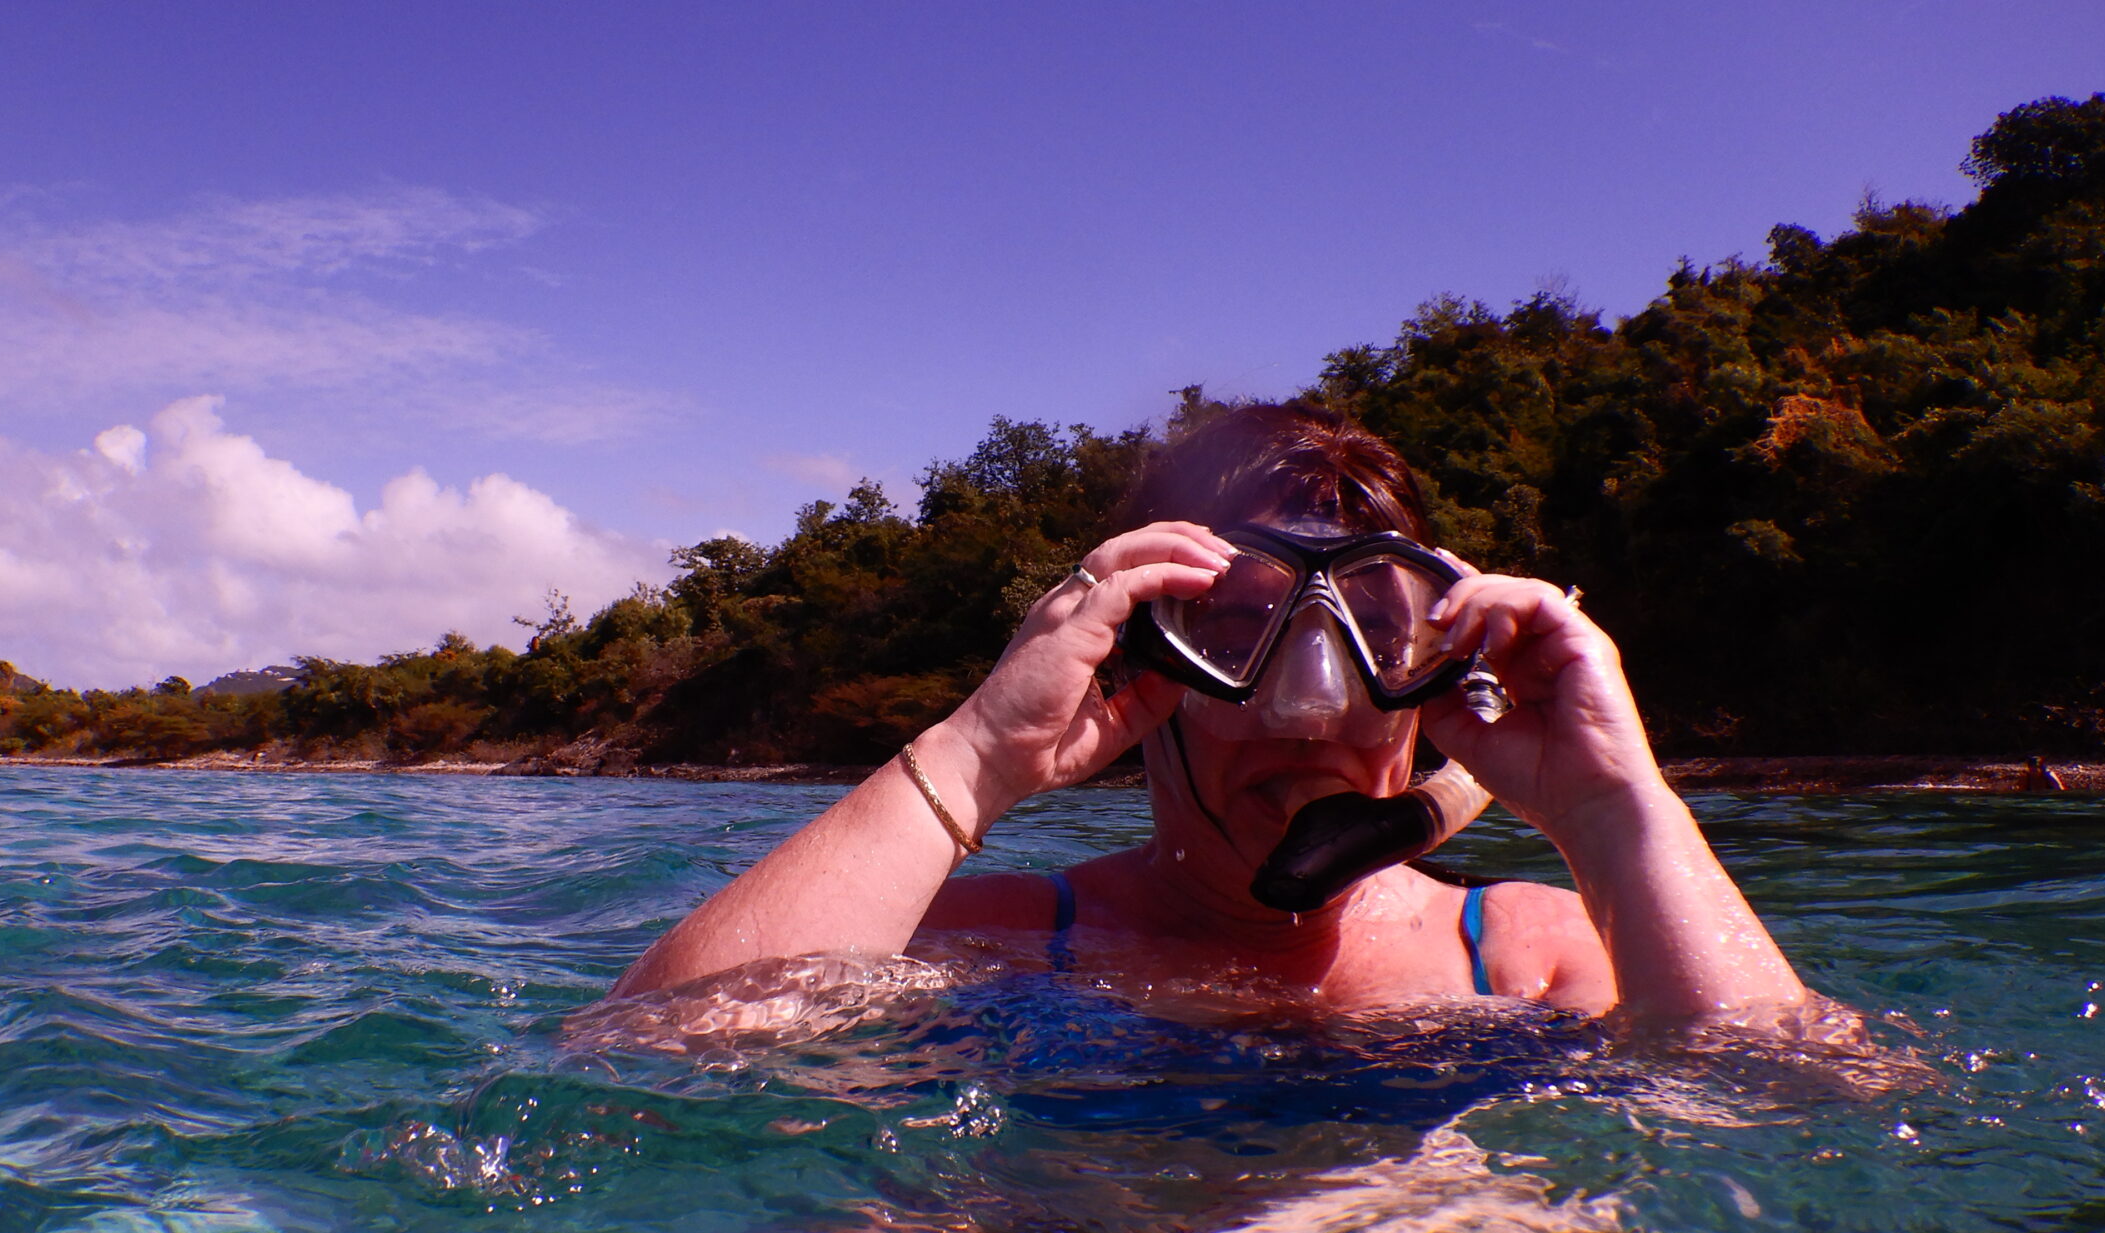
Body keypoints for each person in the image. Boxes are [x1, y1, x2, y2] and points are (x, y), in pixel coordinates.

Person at [612, 401, 1817, 1030]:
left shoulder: (1537, 948)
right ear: (1143, 668)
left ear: (1441, 665)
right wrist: (978, 754)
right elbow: (663, 1057)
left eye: (1371, 636)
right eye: (1233, 634)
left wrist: (1616, 810)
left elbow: (1785, 1118)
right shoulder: (1007, 941)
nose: (1305, 711)